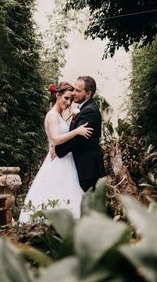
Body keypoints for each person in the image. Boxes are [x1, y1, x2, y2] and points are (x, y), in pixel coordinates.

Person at [18, 82, 93, 223]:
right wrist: (77, 131)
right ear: (57, 95)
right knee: (56, 192)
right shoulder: (52, 115)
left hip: (65, 159)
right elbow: (56, 139)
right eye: (65, 98)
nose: (68, 102)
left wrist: (73, 119)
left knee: (66, 193)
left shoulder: (59, 116)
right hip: (58, 160)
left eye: (71, 99)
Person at [54, 76, 106, 192]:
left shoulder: (90, 111)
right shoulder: (84, 108)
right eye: (74, 89)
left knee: (87, 206)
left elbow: (78, 139)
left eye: (78, 90)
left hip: (88, 168)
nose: (73, 93)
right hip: (83, 166)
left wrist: (58, 150)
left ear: (88, 94)